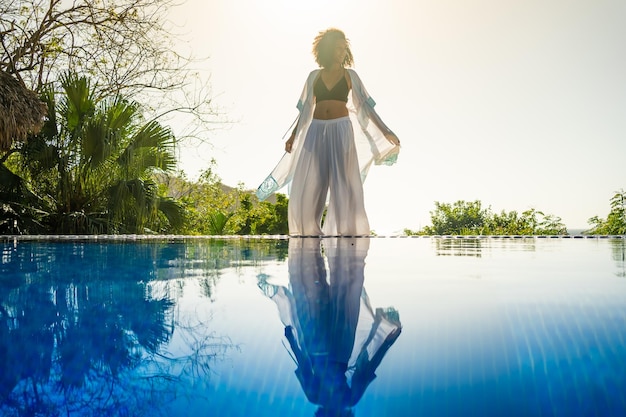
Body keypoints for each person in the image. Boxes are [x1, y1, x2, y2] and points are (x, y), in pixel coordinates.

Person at [256, 28, 400, 236]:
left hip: (341, 130)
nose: (342, 52)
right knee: (314, 182)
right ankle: (309, 232)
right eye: (337, 48)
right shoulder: (313, 77)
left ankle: (344, 231)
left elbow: (365, 109)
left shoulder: (350, 76)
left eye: (344, 48)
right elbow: (306, 111)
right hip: (316, 131)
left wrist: (386, 131)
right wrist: (293, 135)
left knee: (342, 181)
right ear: (327, 49)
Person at [257, 237, 402, 415]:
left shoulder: (317, 396)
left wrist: (293, 339)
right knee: (333, 298)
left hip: (323, 348)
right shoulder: (345, 398)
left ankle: (323, 251)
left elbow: (303, 364)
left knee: (316, 296)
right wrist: (387, 341)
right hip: (335, 348)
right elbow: (368, 368)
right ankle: (333, 250)